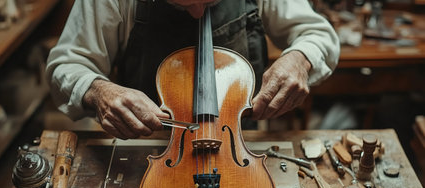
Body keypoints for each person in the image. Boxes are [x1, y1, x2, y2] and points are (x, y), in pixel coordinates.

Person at [46, 0, 340, 140]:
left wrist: (300, 59)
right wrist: (99, 92)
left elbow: (318, 35)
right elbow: (67, 64)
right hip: (146, 148)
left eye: (211, 1)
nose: (199, 13)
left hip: (240, 144)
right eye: (183, 3)